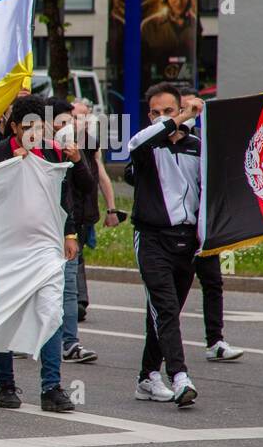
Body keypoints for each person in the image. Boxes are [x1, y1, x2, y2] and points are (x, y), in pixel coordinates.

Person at [0, 94, 94, 413]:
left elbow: (68, 193)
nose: (35, 133)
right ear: (14, 127)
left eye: (40, 127)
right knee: (5, 316)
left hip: (46, 247)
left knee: (51, 314)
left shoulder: (54, 152)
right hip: (6, 248)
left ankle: (52, 387)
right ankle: (6, 385)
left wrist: (69, 232)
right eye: (28, 127)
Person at [125, 83, 203, 406]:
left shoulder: (198, 147)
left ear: (180, 108)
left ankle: (146, 376)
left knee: (161, 312)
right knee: (166, 308)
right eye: (155, 113)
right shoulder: (146, 147)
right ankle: (180, 377)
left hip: (187, 242)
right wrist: (176, 119)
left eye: (168, 111)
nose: (162, 118)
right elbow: (135, 142)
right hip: (152, 238)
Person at [177, 89, 243, 362]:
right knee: (173, 289)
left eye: (198, 108)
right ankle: (160, 336)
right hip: (176, 229)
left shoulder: (202, 146)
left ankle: (215, 340)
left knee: (213, 282)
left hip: (203, 229)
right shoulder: (161, 141)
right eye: (188, 107)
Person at [44, 98, 100, 366]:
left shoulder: (80, 148)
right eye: (63, 122)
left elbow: (89, 185)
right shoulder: (38, 150)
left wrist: (78, 161)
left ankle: (70, 343)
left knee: (68, 290)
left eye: (73, 121)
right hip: (41, 232)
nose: (70, 126)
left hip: (70, 229)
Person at [69, 98, 119, 323]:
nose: (82, 120)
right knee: (73, 253)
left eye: (86, 116)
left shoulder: (90, 143)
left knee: (78, 253)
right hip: (69, 210)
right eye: (77, 116)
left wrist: (112, 209)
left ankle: (78, 300)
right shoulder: (58, 142)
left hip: (86, 211)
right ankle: (77, 301)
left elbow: (102, 175)